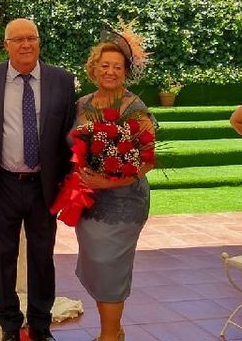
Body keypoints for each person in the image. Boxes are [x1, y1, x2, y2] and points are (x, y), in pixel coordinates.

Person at [0, 18, 75, 341]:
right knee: (3, 256)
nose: (25, 45)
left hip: (43, 187)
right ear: (6, 45)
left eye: (31, 38)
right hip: (2, 183)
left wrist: (66, 182)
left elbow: (68, 137)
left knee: (42, 256)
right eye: (17, 39)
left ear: (39, 42)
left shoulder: (61, 80)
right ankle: (9, 324)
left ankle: (41, 324)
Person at [75, 28, 156, 341]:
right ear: (93, 67)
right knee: (96, 264)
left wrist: (108, 182)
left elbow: (148, 159)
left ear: (126, 71)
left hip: (124, 203)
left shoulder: (135, 108)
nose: (110, 71)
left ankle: (109, 335)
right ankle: (114, 330)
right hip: (88, 204)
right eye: (104, 65)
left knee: (110, 266)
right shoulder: (82, 104)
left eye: (117, 67)